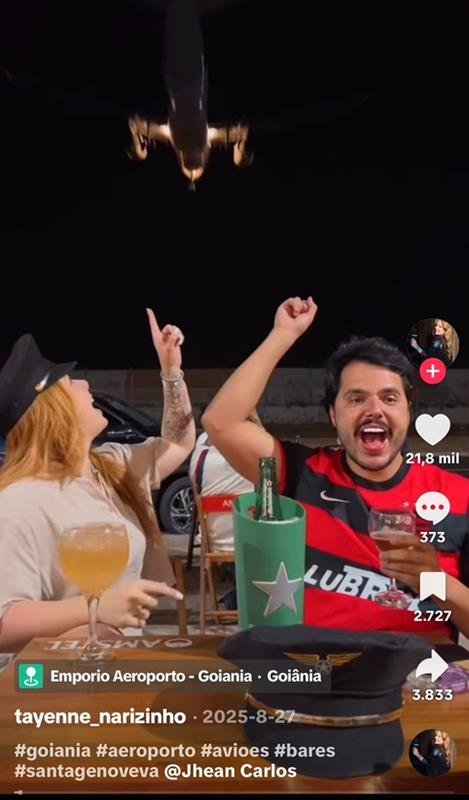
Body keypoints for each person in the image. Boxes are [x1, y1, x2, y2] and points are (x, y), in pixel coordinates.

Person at [202, 296, 469, 639]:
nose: (374, 410)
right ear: (333, 414)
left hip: (419, 668)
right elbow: (220, 422)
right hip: (318, 666)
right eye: (356, 399)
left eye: (389, 398)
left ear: (408, 410)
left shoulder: (458, 497)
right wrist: (283, 334)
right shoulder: (304, 472)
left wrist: (435, 581)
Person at [0, 309, 196, 653]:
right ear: (54, 413)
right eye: (71, 383)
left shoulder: (111, 467)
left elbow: (178, 443)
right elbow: (4, 622)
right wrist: (95, 608)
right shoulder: (19, 502)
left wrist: (171, 372)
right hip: (63, 679)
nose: (85, 385)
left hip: (122, 664)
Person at [127, 0, 252, 189]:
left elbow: (134, 121)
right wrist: (240, 150)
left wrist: (138, 144)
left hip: (179, 78)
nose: (192, 170)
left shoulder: (174, 134)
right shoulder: (190, 135)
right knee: (185, 31)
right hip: (190, 78)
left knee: (178, 28)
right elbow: (241, 129)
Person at [189, 409, 262, 610]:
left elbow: (196, 489)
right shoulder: (251, 452)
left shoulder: (201, 455)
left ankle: (237, 595)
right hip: (252, 544)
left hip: (215, 545)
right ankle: (244, 595)